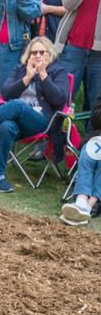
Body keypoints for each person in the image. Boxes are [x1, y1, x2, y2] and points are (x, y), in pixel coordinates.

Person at [0, 37, 69, 192]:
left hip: (42, 122)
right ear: (28, 55)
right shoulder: (20, 69)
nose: (37, 55)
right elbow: (5, 94)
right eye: (34, 52)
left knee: (18, 104)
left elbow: (59, 100)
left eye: (41, 52)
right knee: (5, 126)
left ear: (49, 54)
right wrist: (27, 77)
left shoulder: (58, 72)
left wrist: (43, 75)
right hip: (18, 121)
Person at [55, 0, 101, 112]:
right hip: (73, 48)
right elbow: (68, 3)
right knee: (63, 97)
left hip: (99, 54)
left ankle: (92, 138)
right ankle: (56, 136)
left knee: (97, 102)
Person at [61, 91, 101, 223]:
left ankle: (90, 205)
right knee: (87, 156)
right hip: (97, 138)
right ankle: (81, 202)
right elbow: (95, 119)